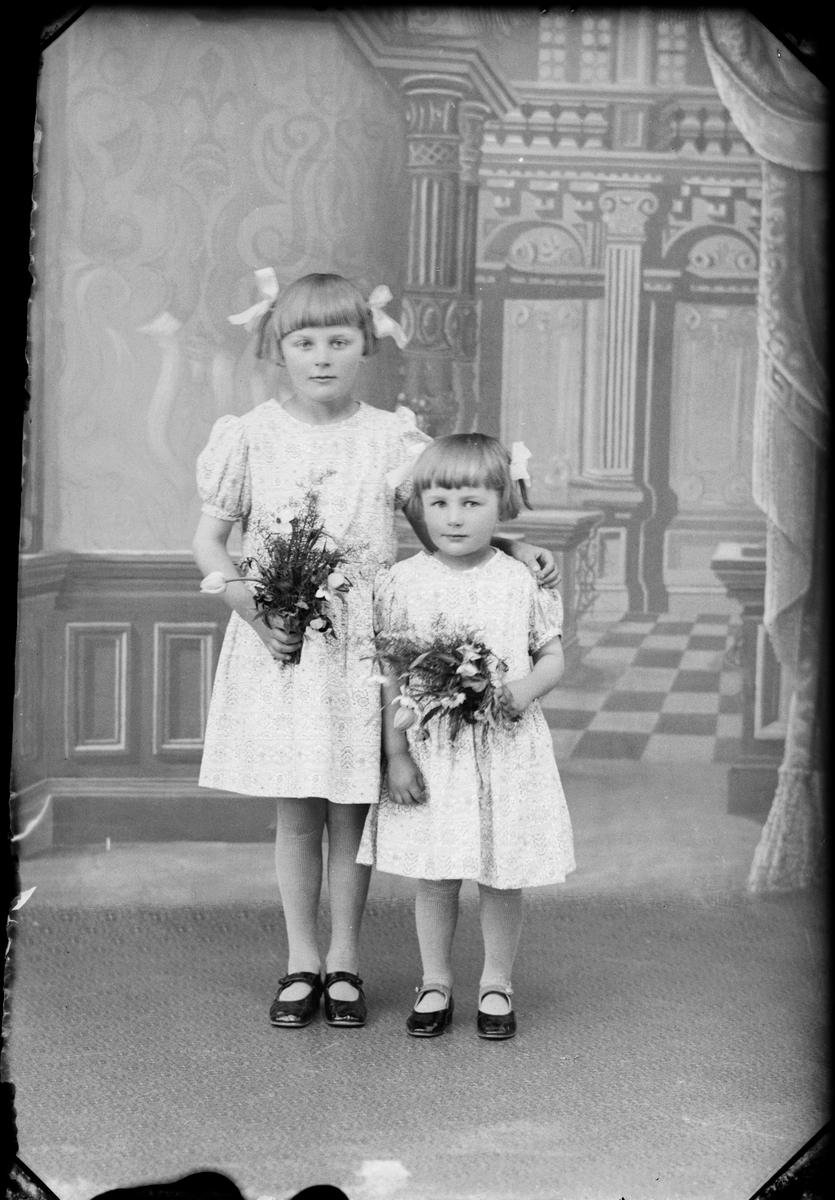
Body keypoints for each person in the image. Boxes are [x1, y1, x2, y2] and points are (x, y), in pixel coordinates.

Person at [192, 272, 559, 1029]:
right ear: (278, 348)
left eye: (339, 340)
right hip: (287, 642)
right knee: (298, 811)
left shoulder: (392, 437)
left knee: (350, 811)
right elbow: (210, 541)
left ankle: (345, 962)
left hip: (367, 642)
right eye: (304, 342)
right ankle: (302, 960)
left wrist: (513, 544)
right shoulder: (252, 434)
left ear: (367, 345)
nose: (322, 356)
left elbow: (443, 518)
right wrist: (254, 612)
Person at [357, 434, 575, 1040]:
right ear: (421, 508)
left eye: (472, 503)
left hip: (506, 745)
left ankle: (496, 982)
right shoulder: (402, 582)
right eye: (440, 503)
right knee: (437, 871)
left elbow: (552, 656)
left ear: (502, 504)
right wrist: (396, 753)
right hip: (437, 748)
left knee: (501, 872)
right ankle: (435, 981)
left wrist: (523, 690)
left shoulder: (520, 580)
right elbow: (393, 673)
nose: (454, 518)